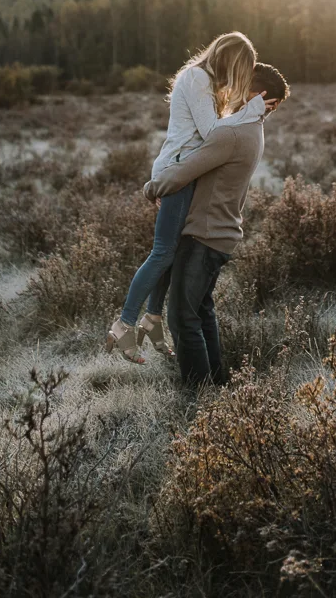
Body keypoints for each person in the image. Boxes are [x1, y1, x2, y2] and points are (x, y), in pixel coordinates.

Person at [106, 32, 277, 363]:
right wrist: (252, 109)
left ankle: (152, 318)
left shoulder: (207, 83)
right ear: (230, 61)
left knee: (171, 252)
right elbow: (214, 134)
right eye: (242, 70)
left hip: (184, 171)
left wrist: (250, 112)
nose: (241, 79)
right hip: (177, 171)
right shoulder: (197, 77)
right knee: (163, 252)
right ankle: (124, 323)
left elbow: (216, 132)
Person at [143, 62, 290, 386]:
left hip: (203, 236)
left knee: (182, 318)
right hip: (218, 235)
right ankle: (216, 386)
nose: (232, 88)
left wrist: (151, 188)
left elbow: (183, 172)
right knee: (200, 311)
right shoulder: (250, 130)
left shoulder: (231, 134)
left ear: (257, 94)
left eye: (241, 83)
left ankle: (198, 394)